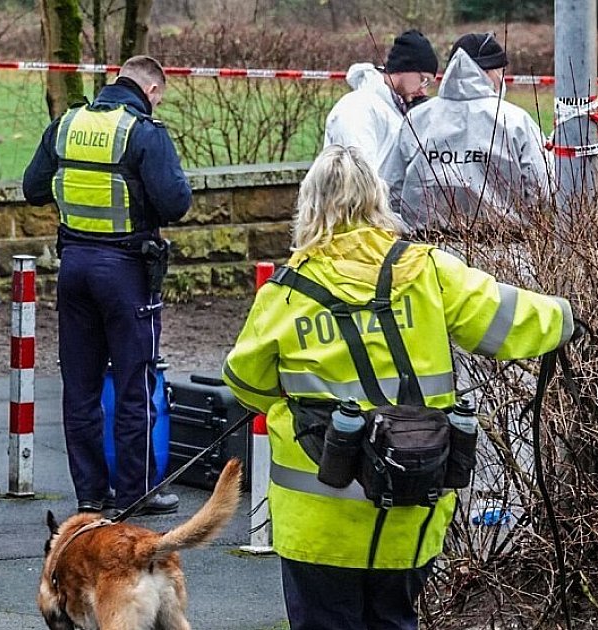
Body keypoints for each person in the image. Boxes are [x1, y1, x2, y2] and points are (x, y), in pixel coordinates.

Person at [222, 145, 575, 630]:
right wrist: (568, 317)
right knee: (395, 618)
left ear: (308, 207)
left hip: (318, 517)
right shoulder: (427, 270)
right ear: (377, 200)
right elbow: (504, 320)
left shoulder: (286, 291)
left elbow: (247, 383)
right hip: (410, 503)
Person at [22, 56, 192, 517]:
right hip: (126, 271)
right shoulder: (144, 133)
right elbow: (176, 203)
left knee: (80, 387)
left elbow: (33, 188)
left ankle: (90, 494)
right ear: (152, 91)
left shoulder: (67, 125)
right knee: (134, 382)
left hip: (73, 266)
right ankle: (136, 492)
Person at [385, 32, 553, 234]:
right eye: (500, 71)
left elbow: (391, 188)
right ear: (490, 72)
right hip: (504, 251)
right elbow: (543, 189)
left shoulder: (417, 120)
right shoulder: (515, 121)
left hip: (427, 252)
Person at [323, 29, 438, 182]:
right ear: (404, 68)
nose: (424, 90)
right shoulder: (357, 108)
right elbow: (358, 181)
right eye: (424, 79)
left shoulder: (396, 110)